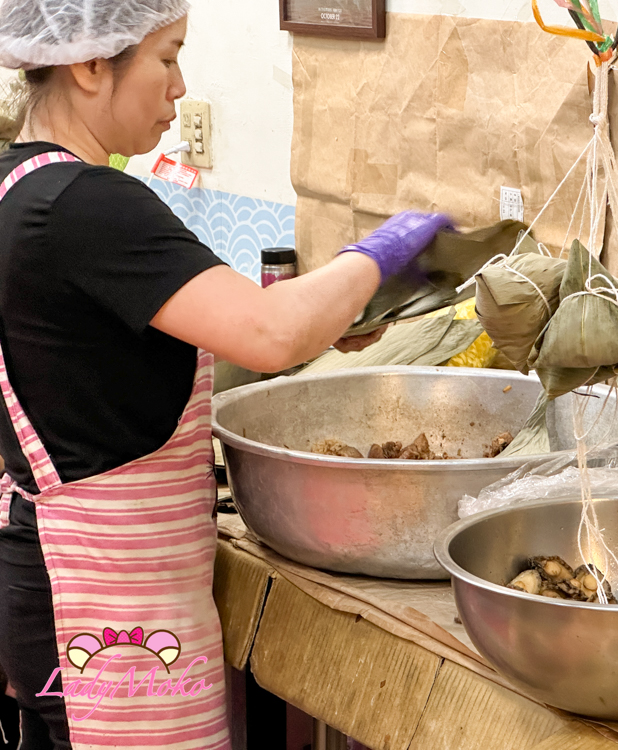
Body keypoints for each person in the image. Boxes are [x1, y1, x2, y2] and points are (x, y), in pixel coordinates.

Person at [0, 2, 451, 748]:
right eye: (166, 56)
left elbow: (130, 340)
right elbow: (269, 333)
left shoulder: (21, 187)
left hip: (59, 580)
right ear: (90, 64)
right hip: (105, 609)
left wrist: (326, 312)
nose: (180, 86)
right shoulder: (87, 203)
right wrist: (380, 254)